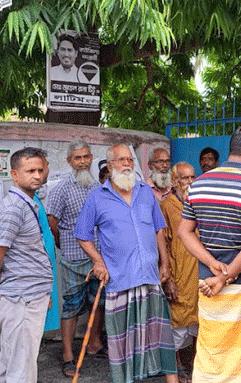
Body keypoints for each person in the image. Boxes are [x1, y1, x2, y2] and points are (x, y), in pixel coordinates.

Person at [177, 126, 241, 383]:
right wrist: (227, 276)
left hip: (208, 282)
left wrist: (213, 266)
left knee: (213, 348)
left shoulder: (198, 185)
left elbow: (184, 232)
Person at [75, 143, 178, 383]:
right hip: (120, 280)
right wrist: (98, 262)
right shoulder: (97, 198)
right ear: (109, 166)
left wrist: (165, 264)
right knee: (122, 344)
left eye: (130, 160)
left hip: (150, 277)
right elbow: (82, 234)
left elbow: (159, 230)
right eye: (121, 160)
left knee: (161, 337)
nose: (127, 164)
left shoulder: (144, 191)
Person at [0, 147, 54, 382]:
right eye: (30, 170)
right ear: (14, 174)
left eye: (40, 170)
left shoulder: (28, 203)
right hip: (21, 298)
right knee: (21, 370)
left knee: (12, 363)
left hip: (28, 295)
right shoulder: (14, 208)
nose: (37, 175)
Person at [46, 140, 105, 378]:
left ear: (91, 158)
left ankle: (94, 344)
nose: (82, 162)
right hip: (72, 257)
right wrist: (63, 244)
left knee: (98, 302)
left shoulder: (98, 187)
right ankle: (68, 354)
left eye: (85, 157)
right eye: (77, 158)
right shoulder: (61, 188)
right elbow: (52, 222)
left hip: (98, 258)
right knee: (71, 307)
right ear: (70, 161)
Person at [159, 162, 198, 383]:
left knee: (200, 321)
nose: (190, 182)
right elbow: (162, 244)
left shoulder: (200, 203)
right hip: (178, 275)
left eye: (193, 177)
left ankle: (194, 363)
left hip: (199, 274)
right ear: (175, 182)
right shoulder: (167, 206)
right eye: (185, 178)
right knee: (176, 321)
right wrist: (168, 280)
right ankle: (177, 365)